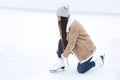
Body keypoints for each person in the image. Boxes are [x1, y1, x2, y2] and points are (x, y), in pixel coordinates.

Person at [50, 5, 105, 73]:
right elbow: (64, 39)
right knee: (61, 41)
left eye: (59, 17)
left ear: (63, 17)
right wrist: (60, 50)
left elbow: (71, 44)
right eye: (57, 17)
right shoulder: (66, 23)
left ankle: (98, 61)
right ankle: (60, 63)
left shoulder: (74, 25)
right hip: (77, 46)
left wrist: (64, 55)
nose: (58, 19)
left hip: (86, 50)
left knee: (81, 70)